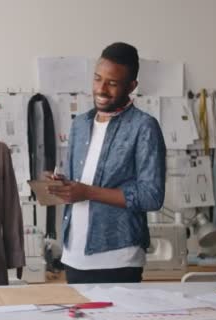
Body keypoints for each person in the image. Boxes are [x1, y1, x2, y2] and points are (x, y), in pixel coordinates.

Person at [48, 42, 166, 283]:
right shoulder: (80, 124)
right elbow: (79, 184)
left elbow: (151, 196)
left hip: (118, 257)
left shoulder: (144, 127)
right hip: (73, 255)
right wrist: (62, 184)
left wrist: (87, 192)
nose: (101, 89)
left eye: (112, 83)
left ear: (131, 86)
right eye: (97, 79)